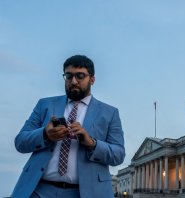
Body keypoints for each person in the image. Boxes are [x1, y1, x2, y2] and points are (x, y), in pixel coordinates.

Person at [12, 55, 125, 198]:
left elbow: (118, 155)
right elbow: (20, 142)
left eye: (80, 76)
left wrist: (92, 143)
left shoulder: (109, 113)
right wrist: (45, 135)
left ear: (92, 79)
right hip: (39, 190)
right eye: (69, 76)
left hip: (86, 193)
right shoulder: (45, 105)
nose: (74, 81)